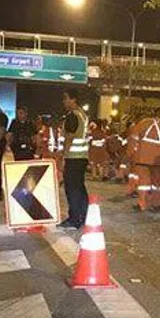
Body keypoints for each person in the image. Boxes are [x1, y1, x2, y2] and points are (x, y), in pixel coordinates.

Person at [128, 110, 160, 213]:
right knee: (157, 183)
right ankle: (156, 204)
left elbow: (133, 139)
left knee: (143, 183)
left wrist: (131, 154)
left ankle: (142, 204)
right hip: (158, 159)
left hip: (143, 157)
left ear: (153, 115)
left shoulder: (143, 123)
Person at [59, 88, 90, 228]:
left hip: (73, 158)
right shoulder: (83, 115)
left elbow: (69, 138)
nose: (64, 101)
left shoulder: (72, 116)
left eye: (66, 98)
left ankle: (74, 219)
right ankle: (83, 215)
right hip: (82, 157)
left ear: (74, 99)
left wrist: (63, 157)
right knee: (79, 187)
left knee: (72, 189)